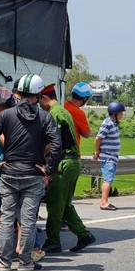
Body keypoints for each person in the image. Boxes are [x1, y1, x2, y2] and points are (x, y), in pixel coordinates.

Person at [0, 74, 60, 271]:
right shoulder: (45, 117)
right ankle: (25, 261)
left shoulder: (6, 115)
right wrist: (48, 169)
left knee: (7, 218)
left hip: (8, 173)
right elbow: (57, 144)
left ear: (19, 93)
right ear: (38, 93)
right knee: (27, 220)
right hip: (33, 173)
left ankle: (4, 262)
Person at [39, 84, 95, 254]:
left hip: (63, 162)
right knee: (64, 205)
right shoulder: (63, 112)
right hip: (72, 163)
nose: (38, 105)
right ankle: (84, 235)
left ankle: (53, 241)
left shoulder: (55, 113)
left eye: (39, 100)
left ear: (45, 98)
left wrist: (36, 155)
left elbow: (53, 143)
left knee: (55, 205)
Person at [94, 101, 125, 210]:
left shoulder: (113, 123)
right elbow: (98, 138)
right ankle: (104, 202)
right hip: (108, 157)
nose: (122, 115)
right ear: (115, 114)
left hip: (112, 157)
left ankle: (104, 201)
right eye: (121, 113)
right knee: (108, 179)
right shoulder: (108, 123)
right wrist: (97, 151)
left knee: (108, 179)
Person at [64, 82, 93, 147]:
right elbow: (86, 134)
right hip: (72, 151)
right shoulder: (79, 113)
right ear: (85, 98)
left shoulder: (63, 105)